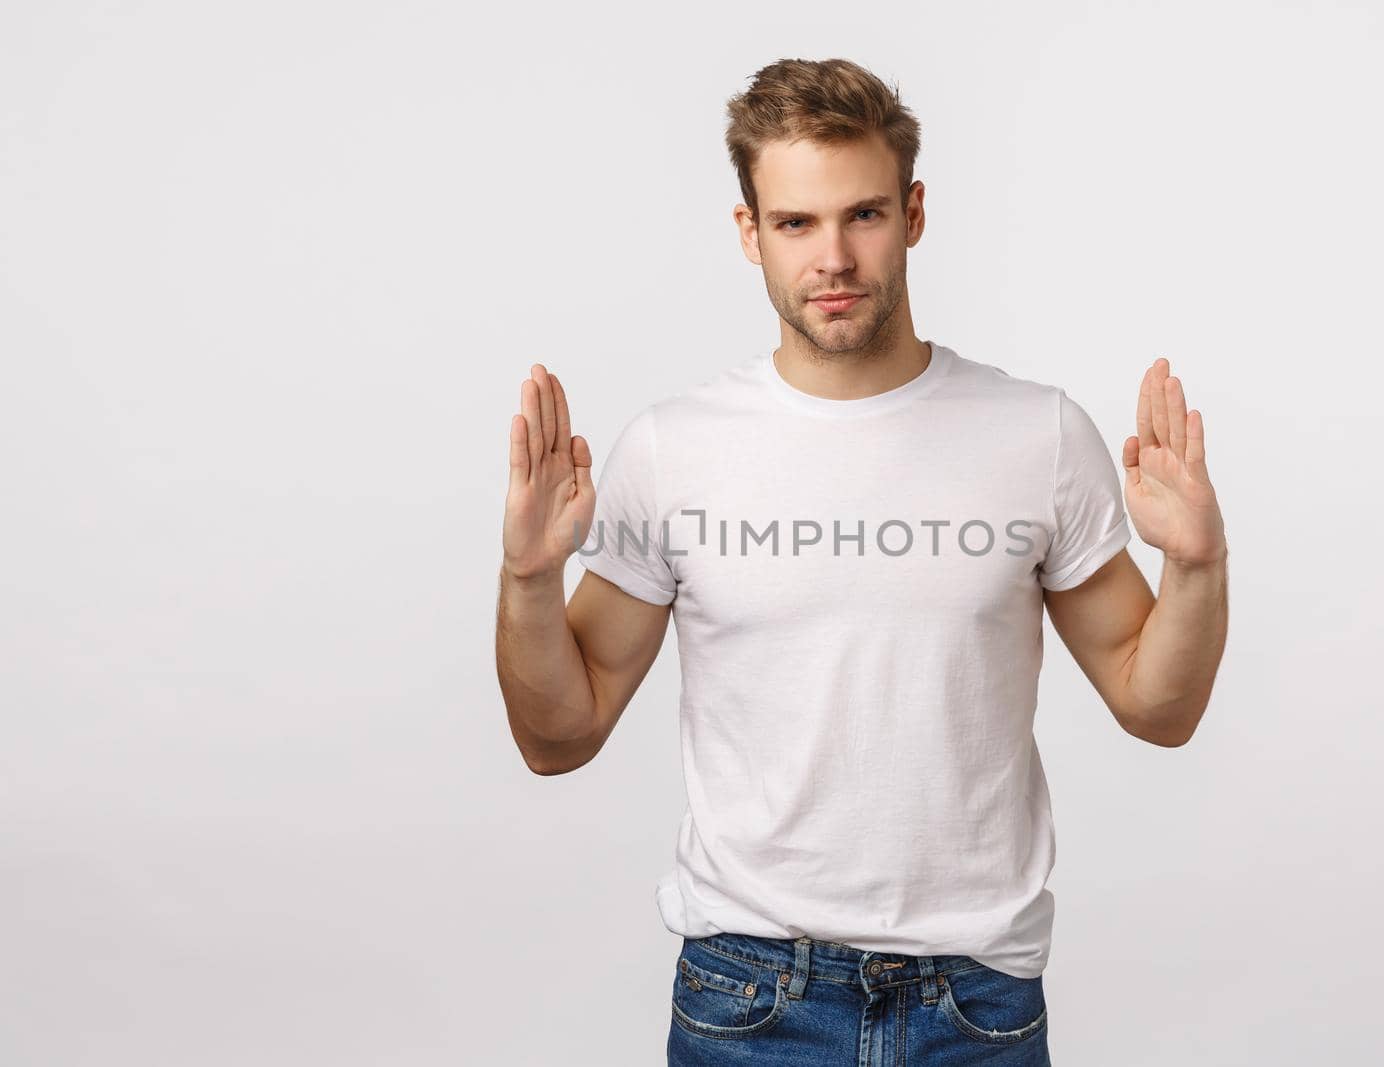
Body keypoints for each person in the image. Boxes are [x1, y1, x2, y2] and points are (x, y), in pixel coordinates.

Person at [495, 56, 1229, 1066]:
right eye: (795, 223)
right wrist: (529, 581)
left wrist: (1197, 565)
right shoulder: (675, 449)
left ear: (914, 212)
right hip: (749, 995)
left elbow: (1160, 707)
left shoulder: (1038, 434)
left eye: (863, 216)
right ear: (750, 233)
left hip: (975, 998)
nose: (832, 256)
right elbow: (557, 734)